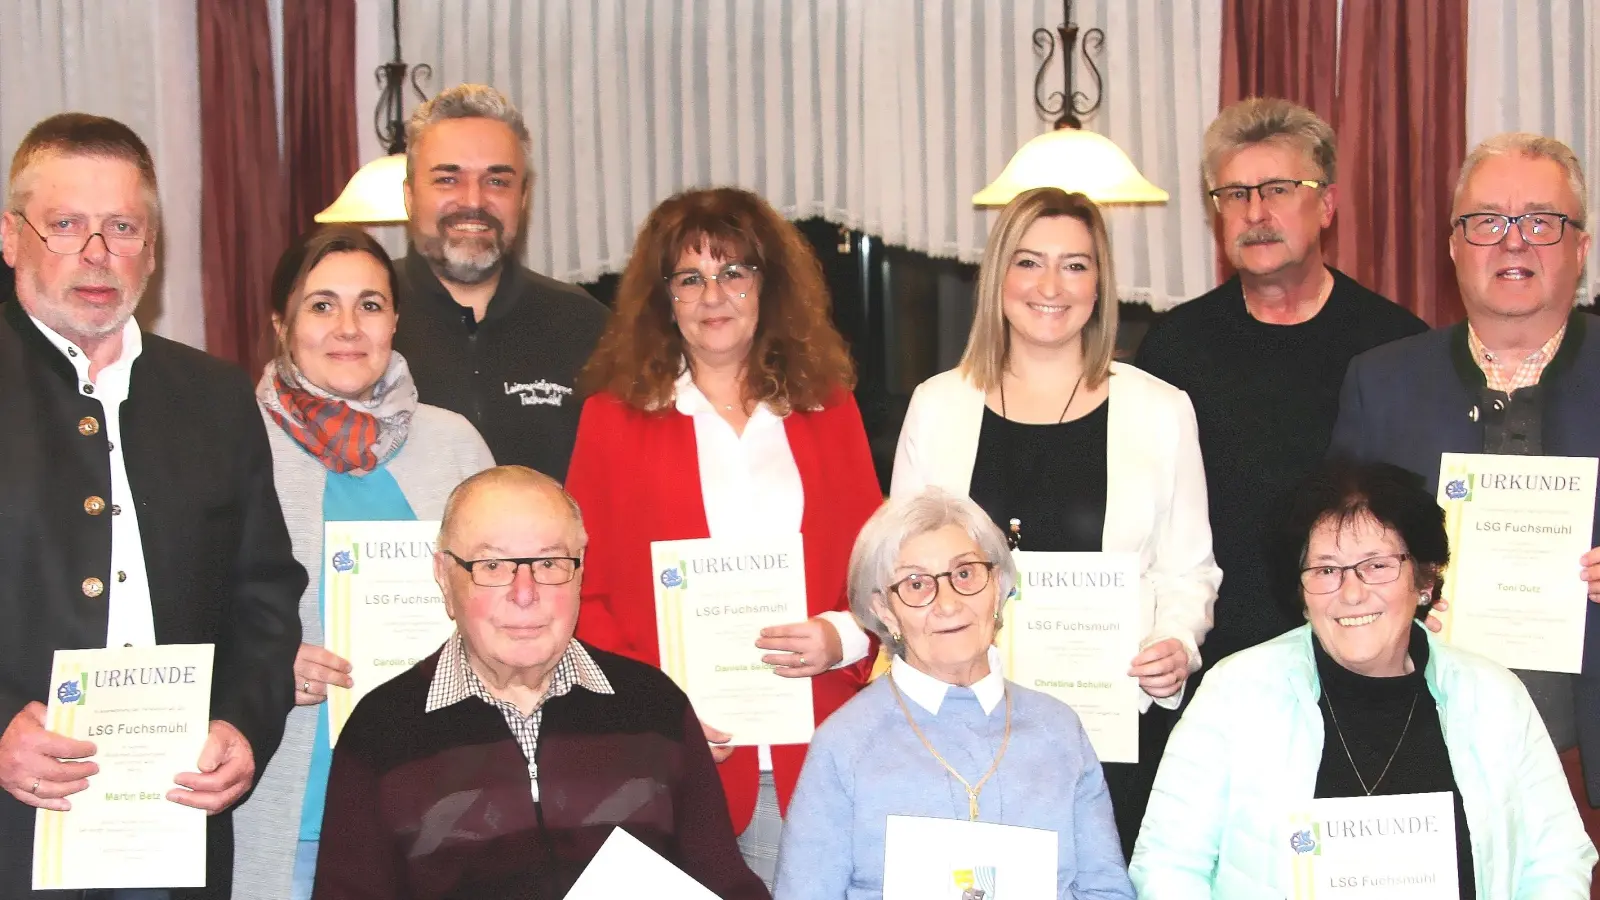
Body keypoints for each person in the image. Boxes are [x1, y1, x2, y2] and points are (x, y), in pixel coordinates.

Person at [0, 113, 305, 897]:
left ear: (154, 248)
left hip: (177, 828)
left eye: (123, 226)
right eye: (66, 225)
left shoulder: (215, 395)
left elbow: (265, 599)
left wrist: (243, 724)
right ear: (11, 237)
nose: (97, 253)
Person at [565, 186, 883, 886]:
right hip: (676, 761)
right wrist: (656, 709)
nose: (714, 295)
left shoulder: (828, 410)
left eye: (734, 271)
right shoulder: (612, 422)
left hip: (818, 749)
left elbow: (878, 570)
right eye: (690, 277)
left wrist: (842, 638)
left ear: (768, 287)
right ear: (664, 297)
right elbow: (584, 593)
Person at [891, 186, 1219, 858]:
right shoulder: (937, 405)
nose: (1051, 285)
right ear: (998, 277)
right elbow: (901, 568)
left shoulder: (1161, 409)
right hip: (962, 732)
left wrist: (1176, 644)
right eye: (1029, 261)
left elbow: (1189, 571)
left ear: (1100, 283)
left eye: (1075, 265)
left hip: (1106, 737)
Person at [1130, 460, 1597, 897]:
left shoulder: (1495, 696)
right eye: (1326, 569)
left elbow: (1557, 857)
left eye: (1377, 565)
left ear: (1424, 581)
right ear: (1302, 590)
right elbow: (1168, 864)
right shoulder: (1233, 694)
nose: (1351, 593)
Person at [1329, 132, 1600, 861]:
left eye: (1543, 220)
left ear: (1582, 246)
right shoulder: (1381, 382)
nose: (1514, 241)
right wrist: (1392, 584)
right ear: (1453, 246)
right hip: (1415, 749)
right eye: (1486, 220)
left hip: (1585, 763)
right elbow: (1329, 570)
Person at [313, 466, 767, 899]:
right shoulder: (383, 730)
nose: (525, 592)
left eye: (550, 563)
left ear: (581, 568)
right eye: (492, 567)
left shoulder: (654, 707)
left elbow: (726, 885)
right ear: (444, 577)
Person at [230, 226, 495, 900]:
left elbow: (509, 594)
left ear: (395, 321)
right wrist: (261, 665)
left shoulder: (453, 444)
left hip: (443, 809)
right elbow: (177, 604)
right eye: (321, 305)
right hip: (292, 810)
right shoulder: (227, 441)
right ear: (281, 323)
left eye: (370, 305)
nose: (348, 327)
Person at [1134, 98, 1426, 671]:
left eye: (1278, 189)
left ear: (1327, 205)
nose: (1254, 212)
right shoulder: (1172, 348)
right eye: (1235, 194)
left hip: (1359, 651)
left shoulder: (1395, 345)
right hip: (1207, 659)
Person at [773, 488, 1134, 899]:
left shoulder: (1059, 729)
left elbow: (1106, 890)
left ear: (997, 586)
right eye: (916, 584)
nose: (947, 604)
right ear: (885, 610)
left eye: (965, 574)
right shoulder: (845, 744)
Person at [391, 83, 607, 481]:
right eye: (447, 179)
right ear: (409, 197)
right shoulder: (362, 321)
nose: (473, 201)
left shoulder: (588, 327)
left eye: (497, 181)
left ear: (522, 199)